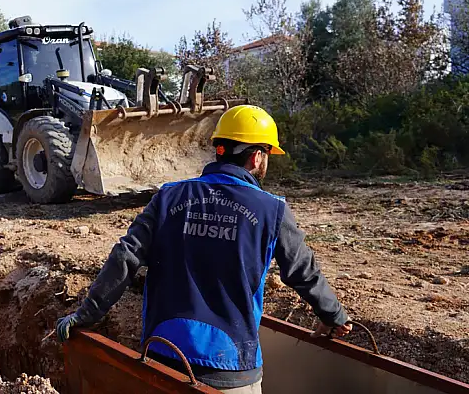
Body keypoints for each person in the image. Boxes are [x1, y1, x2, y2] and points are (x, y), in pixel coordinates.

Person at [55, 105, 352, 393]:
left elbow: (125, 256)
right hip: (230, 369)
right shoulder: (272, 210)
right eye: (267, 155)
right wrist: (333, 317)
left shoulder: (168, 197)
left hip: (162, 359)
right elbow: (303, 273)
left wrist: (86, 315)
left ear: (219, 148)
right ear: (258, 157)